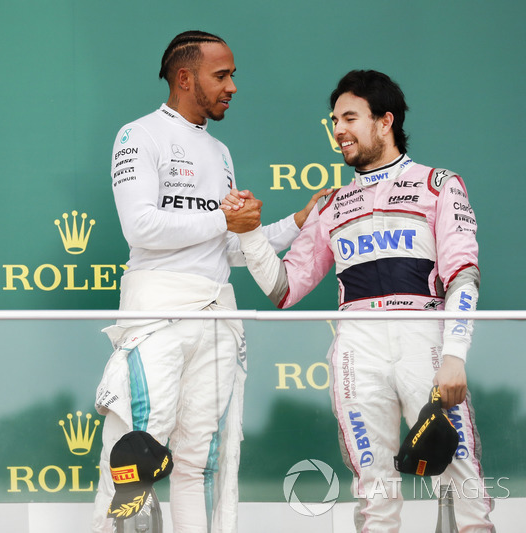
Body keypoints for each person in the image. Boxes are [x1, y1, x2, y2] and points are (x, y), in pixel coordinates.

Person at [230, 69, 494, 531]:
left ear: (385, 121)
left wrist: (454, 356)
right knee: (374, 489)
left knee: (463, 480)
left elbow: (463, 277)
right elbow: (284, 288)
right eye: (334, 120)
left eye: (349, 118)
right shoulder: (333, 205)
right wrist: (251, 235)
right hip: (357, 347)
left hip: (425, 339)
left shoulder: (438, 185)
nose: (338, 131)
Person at [92, 31, 326, 532]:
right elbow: (141, 228)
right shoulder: (139, 135)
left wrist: (297, 223)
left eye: (233, 75)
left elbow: (231, 246)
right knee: (134, 454)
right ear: (184, 77)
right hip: (158, 314)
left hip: (219, 317)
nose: (233, 86)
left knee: (203, 464)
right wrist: (225, 221)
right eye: (221, 75)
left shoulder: (220, 152)